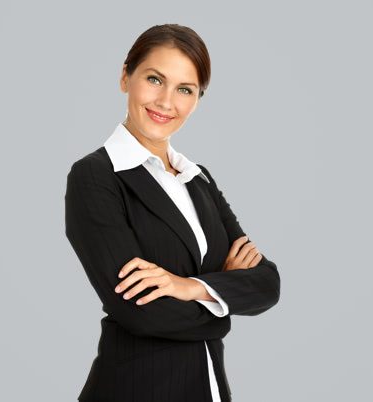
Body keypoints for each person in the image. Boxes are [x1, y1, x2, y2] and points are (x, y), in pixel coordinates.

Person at [65, 23, 281, 402]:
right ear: (125, 77)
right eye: (154, 79)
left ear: (198, 98)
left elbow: (267, 283)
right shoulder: (96, 176)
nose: (166, 102)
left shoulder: (198, 179)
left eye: (185, 89)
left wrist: (187, 287)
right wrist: (225, 298)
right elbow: (141, 313)